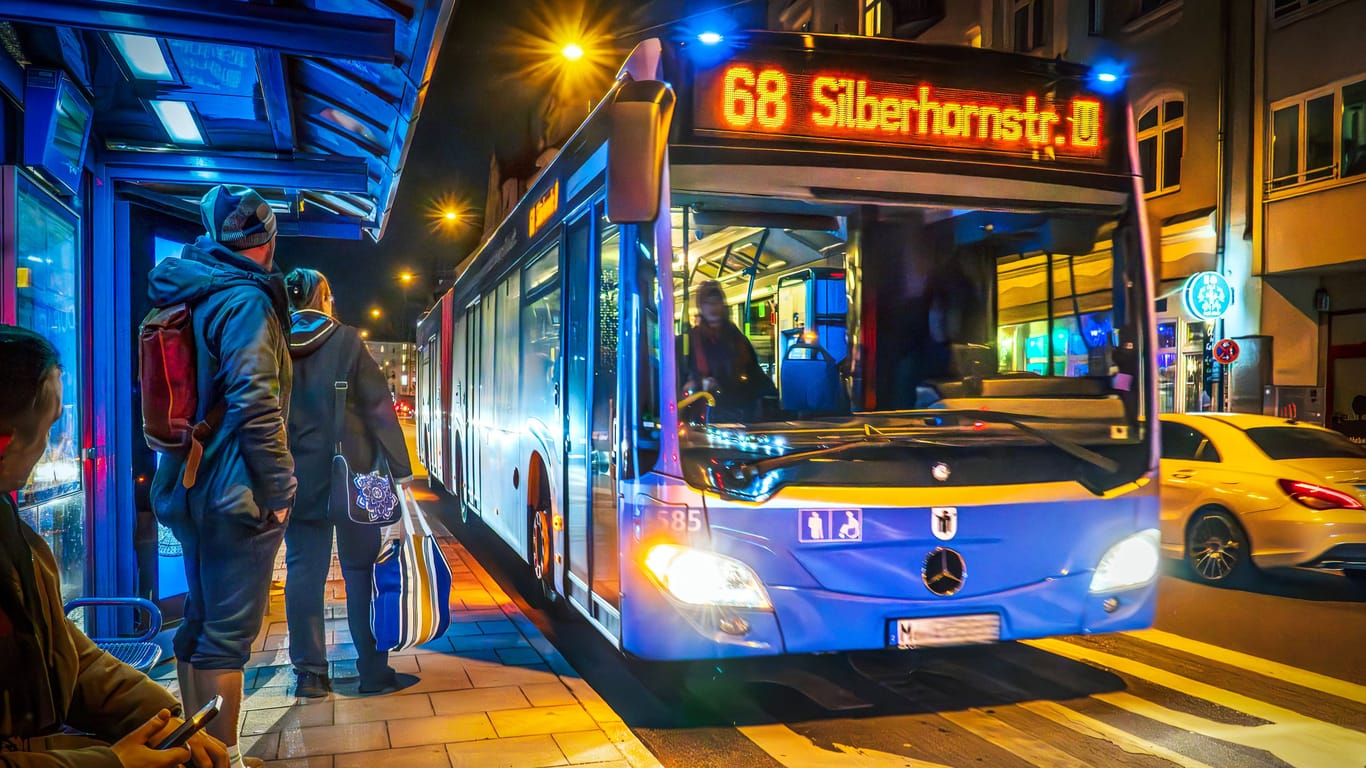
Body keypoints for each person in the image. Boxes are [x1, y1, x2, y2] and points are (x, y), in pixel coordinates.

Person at [0, 325, 228, 768]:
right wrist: (113, 762)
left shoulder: (9, 525)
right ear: (5, 440)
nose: (49, 446)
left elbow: (63, 653)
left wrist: (165, 721)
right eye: (47, 428)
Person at [147, 185, 295, 768]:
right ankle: (221, 758)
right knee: (226, 638)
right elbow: (256, 404)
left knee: (200, 623)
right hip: (233, 495)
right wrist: (281, 492)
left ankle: (196, 749)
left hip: (187, 484)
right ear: (268, 241)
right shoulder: (246, 303)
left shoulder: (188, 288)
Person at [281, 269, 414, 697]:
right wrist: (400, 468)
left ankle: (310, 675)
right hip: (355, 477)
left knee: (304, 573)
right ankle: (373, 671)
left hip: (297, 480)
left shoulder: (274, 342)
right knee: (361, 572)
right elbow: (378, 408)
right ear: (323, 297)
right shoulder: (347, 342)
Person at [683, 280, 776, 421]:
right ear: (701, 307)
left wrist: (772, 399)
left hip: (740, 414)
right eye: (708, 303)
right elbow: (682, 379)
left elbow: (754, 375)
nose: (713, 307)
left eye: (716, 301)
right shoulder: (689, 341)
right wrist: (699, 383)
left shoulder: (738, 340)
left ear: (723, 305)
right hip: (703, 417)